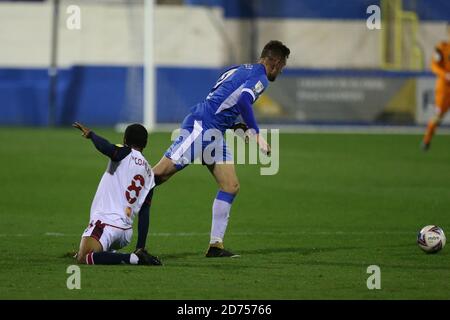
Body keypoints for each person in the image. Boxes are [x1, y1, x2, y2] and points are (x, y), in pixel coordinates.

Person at [150, 40, 290, 257]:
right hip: (202, 127)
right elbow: (243, 102)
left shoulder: (238, 69)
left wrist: (236, 126)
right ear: (276, 62)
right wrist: (255, 134)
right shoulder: (261, 77)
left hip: (215, 132)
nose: (280, 71)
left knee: (230, 185)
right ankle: (109, 220)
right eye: (282, 67)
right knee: (157, 176)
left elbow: (221, 100)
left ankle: (216, 246)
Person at [72, 122, 162, 266]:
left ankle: (133, 259)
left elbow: (106, 148)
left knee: (84, 257)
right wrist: (140, 247)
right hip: (125, 233)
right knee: (88, 250)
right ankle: (124, 253)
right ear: (145, 144)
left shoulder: (125, 152)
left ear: (125, 140)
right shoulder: (150, 173)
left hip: (106, 224)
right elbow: (145, 213)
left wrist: (91, 135)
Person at [422, 23, 450, 151]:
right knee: (438, 116)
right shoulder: (442, 48)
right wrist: (446, 75)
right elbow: (434, 66)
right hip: (445, 88)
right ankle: (426, 140)